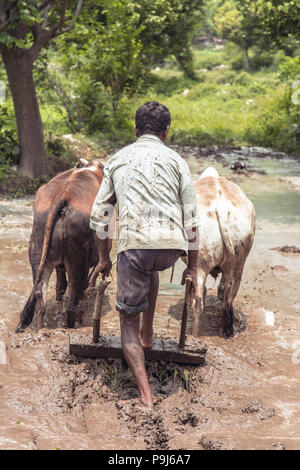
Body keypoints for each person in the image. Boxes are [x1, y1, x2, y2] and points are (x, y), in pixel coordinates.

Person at [89, 101, 199, 408]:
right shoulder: (177, 161)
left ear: (135, 129)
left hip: (135, 247)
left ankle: (145, 395)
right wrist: (193, 268)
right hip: (171, 247)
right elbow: (191, 218)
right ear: (167, 132)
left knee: (127, 324)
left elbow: (100, 217)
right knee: (151, 268)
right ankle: (149, 334)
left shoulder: (118, 159)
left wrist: (104, 258)